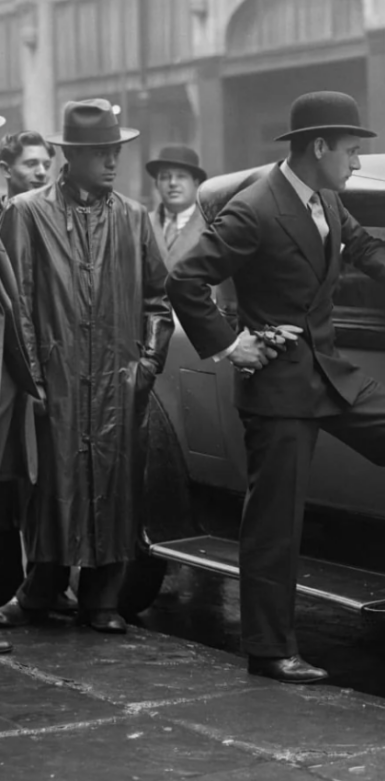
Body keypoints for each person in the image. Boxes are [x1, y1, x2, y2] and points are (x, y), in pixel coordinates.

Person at [166, 91, 385, 685]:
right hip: (278, 387)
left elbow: (359, 244)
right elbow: (185, 277)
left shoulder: (325, 197)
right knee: (274, 523)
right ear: (319, 147)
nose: (357, 163)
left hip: (331, 374)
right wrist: (229, 344)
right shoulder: (256, 208)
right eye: (351, 151)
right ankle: (269, 651)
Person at [0, 99, 173, 636]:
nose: (112, 161)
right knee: (54, 487)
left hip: (117, 378)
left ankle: (103, 600)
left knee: (116, 489)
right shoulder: (27, 212)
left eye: (115, 151)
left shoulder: (133, 216)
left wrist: (146, 363)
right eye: (100, 152)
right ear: (67, 156)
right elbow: (17, 301)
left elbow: (159, 299)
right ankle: (41, 588)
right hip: (55, 375)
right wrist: (33, 378)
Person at [0, 129, 70, 613]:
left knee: (27, 482)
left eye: (46, 163)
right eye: (30, 164)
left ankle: (37, 584)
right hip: (17, 371)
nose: (40, 172)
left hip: (29, 372)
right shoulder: (15, 218)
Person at [147, 145, 207, 267]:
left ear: (196, 182)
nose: (173, 183)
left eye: (181, 176)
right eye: (165, 177)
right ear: (156, 184)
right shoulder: (141, 224)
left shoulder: (213, 227)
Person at [0, 131, 55, 205]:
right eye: (31, 164)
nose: (42, 172)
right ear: (6, 170)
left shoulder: (57, 214)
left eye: (46, 166)